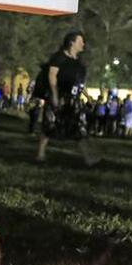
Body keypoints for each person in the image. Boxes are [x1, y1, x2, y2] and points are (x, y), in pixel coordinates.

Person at [34, 31, 97, 165]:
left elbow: (79, 82)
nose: (83, 44)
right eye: (80, 41)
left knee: (79, 126)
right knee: (49, 125)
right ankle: (40, 154)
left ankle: (88, 158)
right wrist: (55, 95)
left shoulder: (78, 62)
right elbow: (52, 76)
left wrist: (87, 95)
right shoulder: (59, 57)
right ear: (72, 42)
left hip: (73, 99)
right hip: (59, 95)